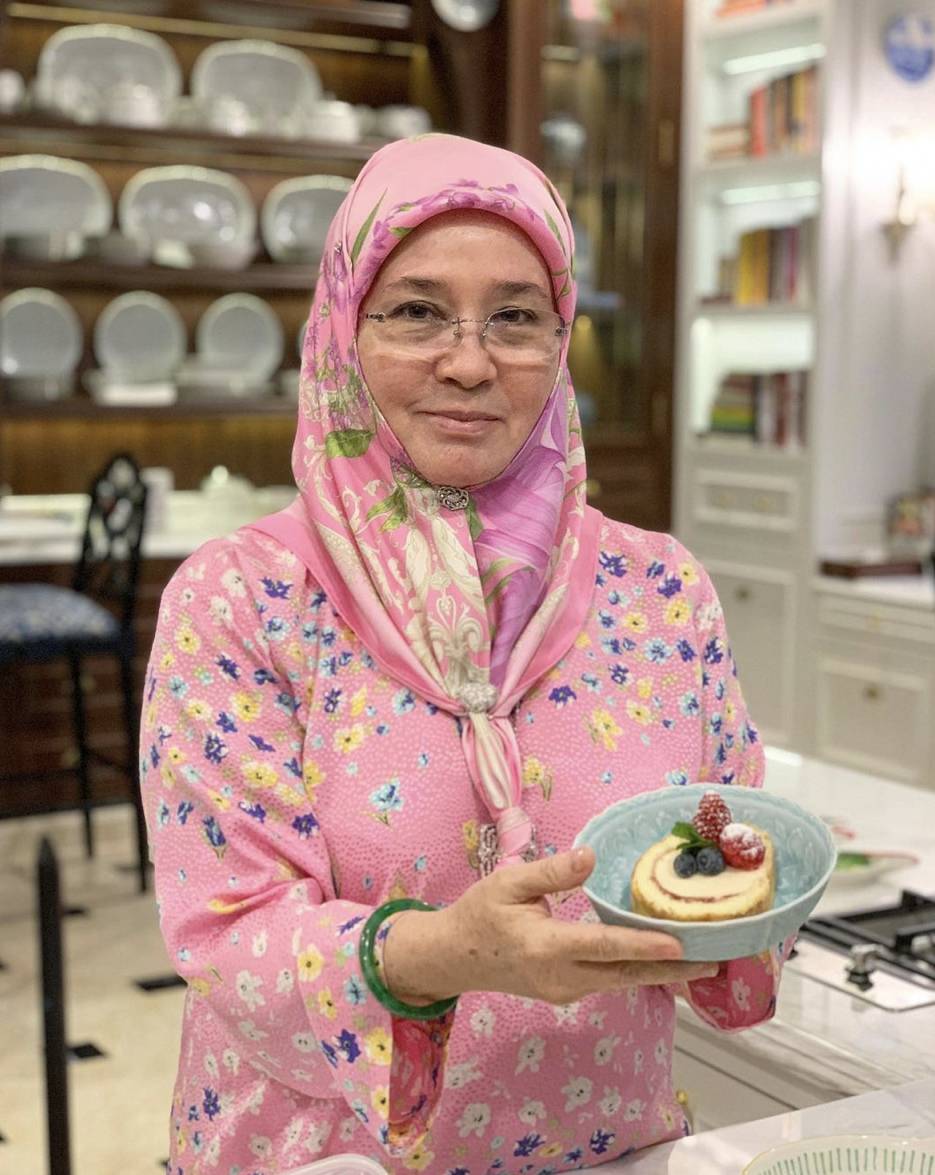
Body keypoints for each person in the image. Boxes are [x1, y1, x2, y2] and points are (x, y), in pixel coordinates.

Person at [141, 134, 790, 1175]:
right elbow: (228, 936)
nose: (470, 361)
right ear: (342, 327)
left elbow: (724, 842)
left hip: (607, 1145)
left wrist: (747, 895)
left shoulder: (658, 587)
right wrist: (444, 953)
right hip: (330, 1156)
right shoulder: (243, 600)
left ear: (560, 338)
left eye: (516, 318)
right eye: (415, 310)